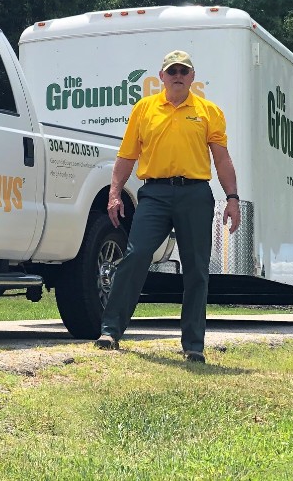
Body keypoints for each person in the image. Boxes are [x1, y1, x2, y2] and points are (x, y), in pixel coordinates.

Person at [95, 50, 240, 363]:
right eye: (171, 71)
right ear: (161, 76)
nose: (177, 76)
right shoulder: (144, 109)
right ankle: (110, 331)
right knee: (135, 256)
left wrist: (232, 198)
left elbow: (222, 158)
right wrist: (114, 193)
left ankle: (193, 346)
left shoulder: (208, 111)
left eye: (183, 71)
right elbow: (127, 156)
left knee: (197, 269)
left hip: (196, 194)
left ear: (191, 77)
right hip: (155, 194)